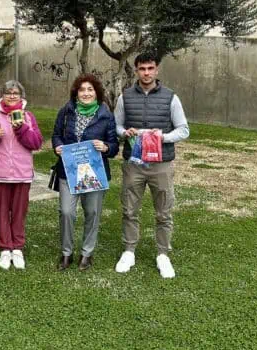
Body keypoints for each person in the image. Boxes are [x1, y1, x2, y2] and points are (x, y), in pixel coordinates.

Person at [114, 52, 189, 279]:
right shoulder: (125, 97)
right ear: (136, 71)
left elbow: (183, 130)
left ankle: (163, 254)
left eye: (150, 68)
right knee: (129, 209)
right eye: (142, 69)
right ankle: (129, 251)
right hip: (134, 163)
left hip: (161, 164)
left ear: (156, 70)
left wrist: (161, 138)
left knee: (164, 212)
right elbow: (116, 126)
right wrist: (125, 133)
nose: (146, 73)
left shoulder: (171, 97)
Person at [51, 74, 119, 272]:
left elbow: (114, 147)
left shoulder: (106, 115)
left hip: (94, 175)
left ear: (97, 93)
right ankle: (66, 252)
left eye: (90, 90)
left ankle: (87, 253)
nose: (86, 93)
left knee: (93, 212)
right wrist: (58, 146)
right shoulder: (66, 112)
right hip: (68, 171)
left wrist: (105, 146)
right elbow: (56, 135)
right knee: (66, 212)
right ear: (76, 93)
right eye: (82, 90)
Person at [0, 80, 43, 270]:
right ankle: (5, 248)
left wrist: (21, 128)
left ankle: (18, 248)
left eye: (16, 93)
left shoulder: (28, 117)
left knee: (19, 213)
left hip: (22, 174)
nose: (12, 96)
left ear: (21, 96)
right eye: (8, 92)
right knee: (2, 212)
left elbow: (36, 142)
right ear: (2, 95)